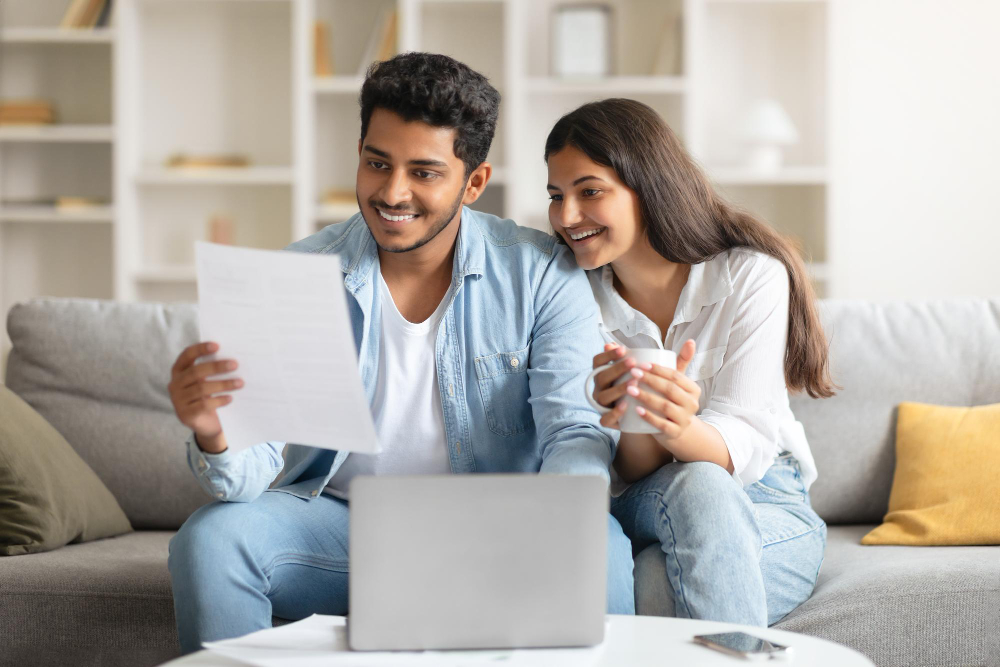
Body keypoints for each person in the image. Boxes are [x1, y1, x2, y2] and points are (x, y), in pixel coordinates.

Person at [165, 53, 634, 654]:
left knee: (597, 545)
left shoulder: (542, 272)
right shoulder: (303, 271)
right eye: (376, 163)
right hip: (345, 529)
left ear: (474, 183)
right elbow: (250, 471)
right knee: (211, 539)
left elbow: (574, 431)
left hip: (500, 528)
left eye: (424, 172)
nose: (392, 192)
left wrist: (557, 526)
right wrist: (214, 429)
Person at [543, 98, 832, 627]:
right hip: (643, 499)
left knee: (655, 582)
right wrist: (637, 421)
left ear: (647, 186)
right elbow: (628, 471)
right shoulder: (569, 295)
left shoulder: (750, 277)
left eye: (590, 191)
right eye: (556, 196)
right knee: (694, 488)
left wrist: (679, 427)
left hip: (763, 498)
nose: (566, 216)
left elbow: (741, 440)